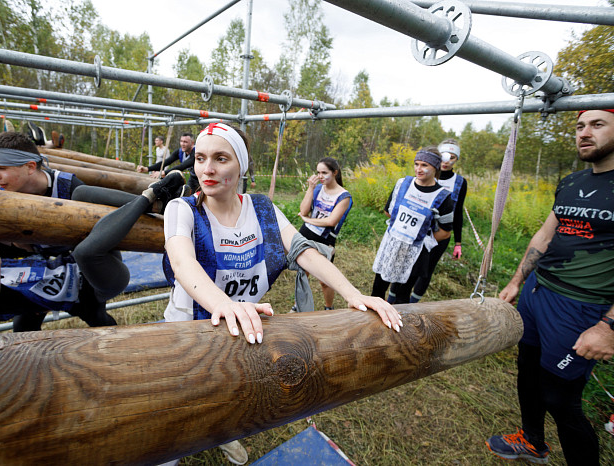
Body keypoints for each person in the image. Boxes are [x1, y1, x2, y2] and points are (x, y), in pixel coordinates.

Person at [162, 122, 402, 465]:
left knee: (230, 393)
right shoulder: (181, 209)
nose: (207, 169)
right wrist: (225, 305)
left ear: (241, 165)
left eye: (220, 158)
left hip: (240, 329)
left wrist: (353, 293)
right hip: (189, 330)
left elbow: (304, 251)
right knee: (174, 408)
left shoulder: (261, 209)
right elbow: (183, 264)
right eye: (200, 158)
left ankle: (221, 434)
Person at [486, 109, 614, 466]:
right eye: (579, 126)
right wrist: (517, 282)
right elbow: (546, 234)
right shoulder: (572, 181)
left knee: (560, 400)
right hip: (537, 295)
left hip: (581, 309)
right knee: (527, 374)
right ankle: (532, 442)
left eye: (597, 124)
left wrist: (609, 327)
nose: (584, 133)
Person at [0, 171, 185, 336]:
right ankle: (150, 196)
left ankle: (161, 206)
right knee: (86, 253)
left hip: (87, 272)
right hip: (101, 284)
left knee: (80, 193)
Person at [371, 147, 454, 304]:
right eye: (416, 164)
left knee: (402, 296)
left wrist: (422, 241)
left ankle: (400, 326)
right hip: (392, 244)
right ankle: (372, 324)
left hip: (415, 253)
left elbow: (445, 232)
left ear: (435, 167)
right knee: (377, 289)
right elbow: (389, 211)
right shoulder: (403, 184)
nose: (419, 169)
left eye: (424, 165)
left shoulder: (443, 197)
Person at [410, 138, 467, 303]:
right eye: (444, 156)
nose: (447, 162)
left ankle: (412, 304)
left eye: (452, 157)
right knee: (410, 264)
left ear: (456, 160)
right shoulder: (425, 173)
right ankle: (396, 300)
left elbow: (458, 212)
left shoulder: (460, 182)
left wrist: (458, 242)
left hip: (440, 235)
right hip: (418, 230)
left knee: (426, 269)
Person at [296, 157, 353, 310]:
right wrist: (310, 188)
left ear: (335, 173)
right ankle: (299, 305)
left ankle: (329, 307)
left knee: (325, 279)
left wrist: (308, 220)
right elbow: (303, 210)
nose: (320, 176)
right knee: (303, 272)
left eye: (324, 172)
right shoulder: (318, 188)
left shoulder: (344, 196)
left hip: (325, 238)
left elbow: (331, 222)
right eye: (318, 172)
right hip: (307, 233)